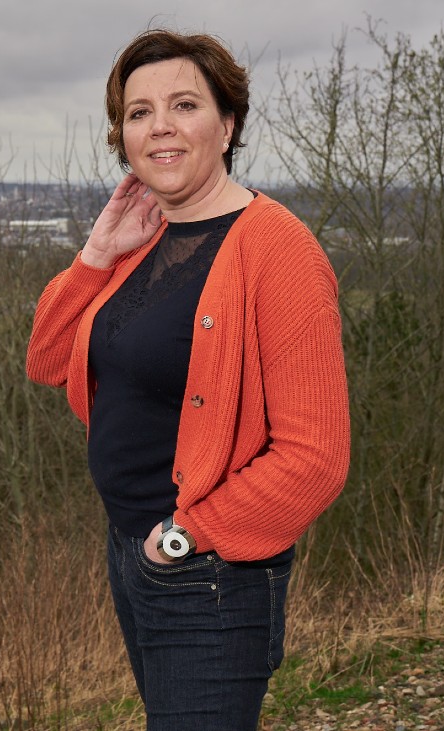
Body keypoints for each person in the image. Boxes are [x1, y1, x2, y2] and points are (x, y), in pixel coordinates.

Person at [25, 29, 350, 730]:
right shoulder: (141, 240)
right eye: (139, 112)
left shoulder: (278, 250)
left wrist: (181, 538)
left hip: (209, 572)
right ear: (123, 137)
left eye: (184, 105)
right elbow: (47, 359)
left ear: (227, 125)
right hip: (131, 553)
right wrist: (96, 254)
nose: (159, 126)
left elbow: (315, 458)